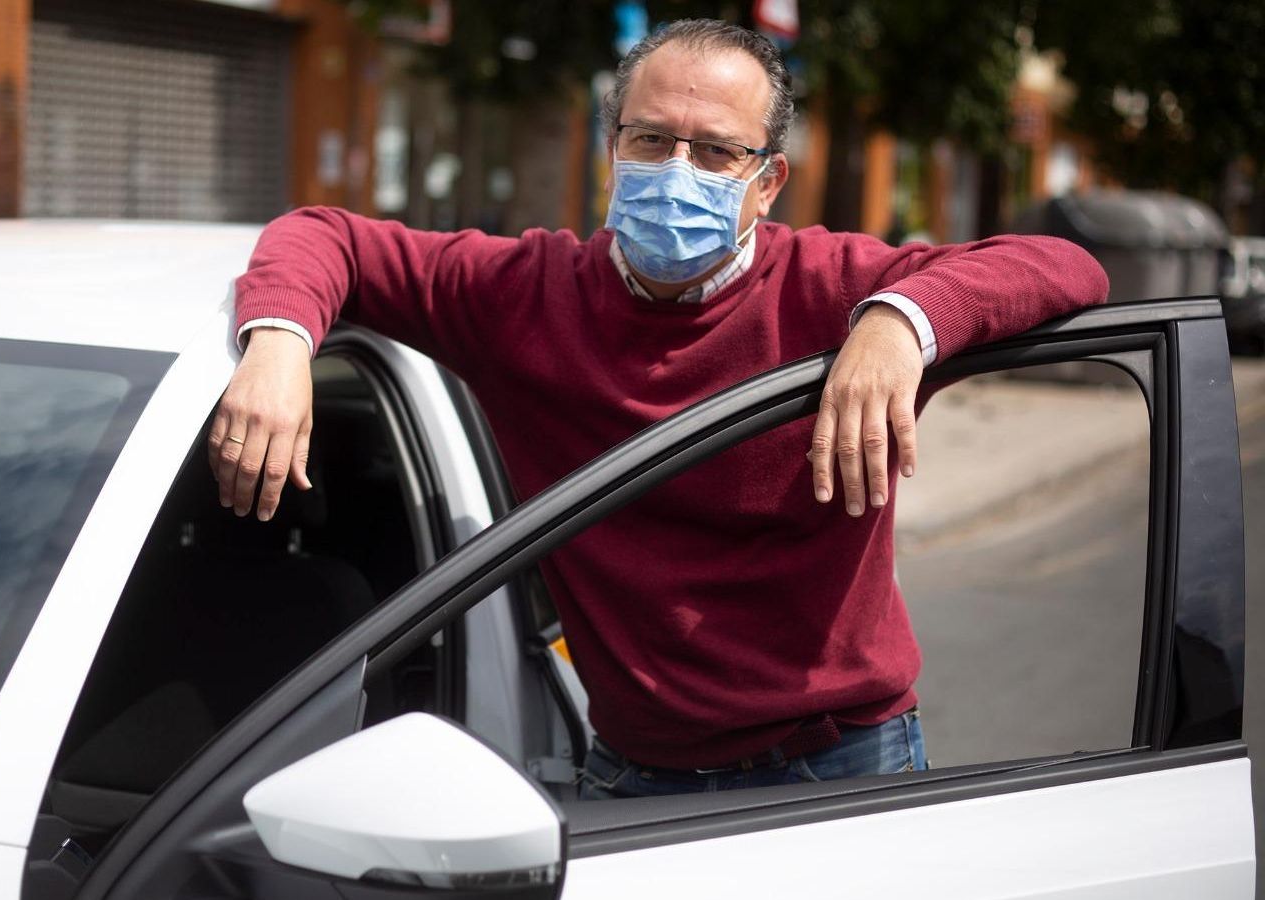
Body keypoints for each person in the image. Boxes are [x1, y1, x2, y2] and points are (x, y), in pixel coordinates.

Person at [207, 19, 1109, 799]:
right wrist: (281, 342)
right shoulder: (521, 291)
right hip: (631, 775)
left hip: (841, 765)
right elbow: (322, 234)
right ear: (613, 149)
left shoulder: (834, 286)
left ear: (767, 182)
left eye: (715, 150)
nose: (676, 169)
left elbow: (1066, 267)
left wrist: (897, 323)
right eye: (650, 139)